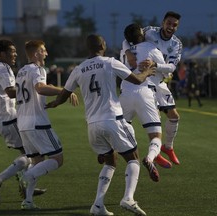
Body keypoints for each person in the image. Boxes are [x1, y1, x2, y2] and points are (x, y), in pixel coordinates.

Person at [46, 34, 155, 216]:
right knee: (133, 158)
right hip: (113, 119)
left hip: (92, 125)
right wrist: (147, 72)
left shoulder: (79, 69)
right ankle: (128, 198)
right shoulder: (109, 62)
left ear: (87, 48)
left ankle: (98, 205)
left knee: (110, 161)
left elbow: (65, 93)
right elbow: (136, 80)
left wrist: (55, 103)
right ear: (103, 45)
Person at [0, 39, 46, 203]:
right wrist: (29, 89)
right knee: (33, 154)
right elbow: (11, 92)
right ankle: (0, 179)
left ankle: (25, 184)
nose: (15, 54)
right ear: (2, 54)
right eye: (12, 51)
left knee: (30, 152)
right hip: (8, 117)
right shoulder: (4, 68)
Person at [15, 40, 79, 210]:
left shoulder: (21, 71)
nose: (46, 53)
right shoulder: (37, 69)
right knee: (58, 159)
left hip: (22, 123)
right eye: (43, 50)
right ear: (36, 54)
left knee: (37, 161)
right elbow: (40, 88)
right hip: (37, 123)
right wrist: (64, 91)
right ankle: (25, 176)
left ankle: (27, 201)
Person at [124, 11, 183, 166]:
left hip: (159, 81)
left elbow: (171, 67)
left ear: (177, 27)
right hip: (145, 82)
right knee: (154, 118)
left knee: (174, 116)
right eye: (168, 23)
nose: (170, 27)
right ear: (163, 22)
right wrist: (128, 52)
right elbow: (129, 36)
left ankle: (168, 147)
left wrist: (156, 65)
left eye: (174, 25)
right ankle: (154, 153)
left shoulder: (176, 44)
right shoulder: (150, 31)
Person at [119, 23, 170, 182]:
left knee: (121, 129)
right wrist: (156, 67)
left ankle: (107, 153)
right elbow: (166, 70)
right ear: (141, 34)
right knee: (156, 135)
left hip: (125, 92)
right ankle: (150, 157)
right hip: (144, 91)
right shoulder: (150, 47)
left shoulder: (123, 51)